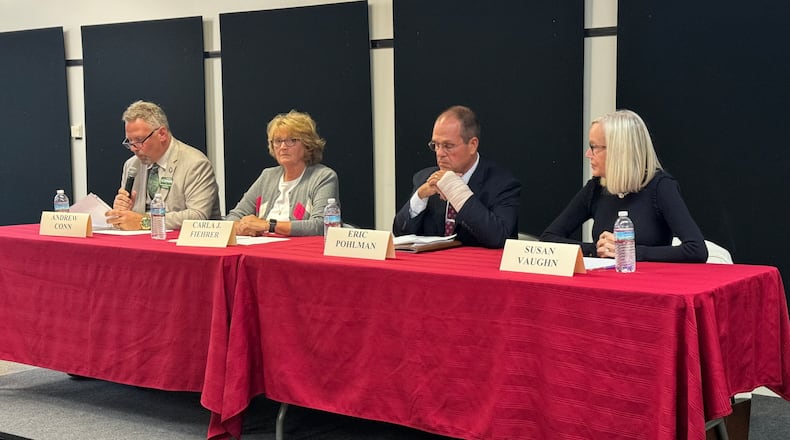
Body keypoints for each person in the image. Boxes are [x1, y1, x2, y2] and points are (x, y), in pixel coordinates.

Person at [540, 109, 708, 262]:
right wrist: (595, 249)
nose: (588, 154)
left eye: (594, 147)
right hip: (605, 281)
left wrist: (629, 251)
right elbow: (549, 237)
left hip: (647, 284)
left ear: (618, 150)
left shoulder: (660, 187)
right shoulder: (595, 188)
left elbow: (696, 249)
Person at [392, 105, 521, 248]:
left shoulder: (502, 183)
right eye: (435, 145)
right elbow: (400, 234)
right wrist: (419, 197)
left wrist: (456, 191)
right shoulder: (425, 178)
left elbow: (499, 238)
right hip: (433, 266)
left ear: (472, 145)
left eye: (448, 146)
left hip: (476, 268)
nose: (439, 153)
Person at [105, 100, 221, 230]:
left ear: (162, 134)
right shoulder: (132, 165)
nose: (133, 148)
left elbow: (198, 216)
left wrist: (145, 222)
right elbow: (133, 219)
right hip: (143, 241)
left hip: (187, 245)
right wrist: (123, 211)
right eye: (129, 141)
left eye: (139, 140)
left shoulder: (195, 164)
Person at [225, 110, 339, 236]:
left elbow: (321, 225)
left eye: (291, 140)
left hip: (297, 251)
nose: (283, 147)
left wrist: (268, 225)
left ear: (308, 145)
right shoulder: (267, 176)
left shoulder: (323, 177)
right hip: (260, 247)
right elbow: (234, 216)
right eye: (278, 141)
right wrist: (243, 227)